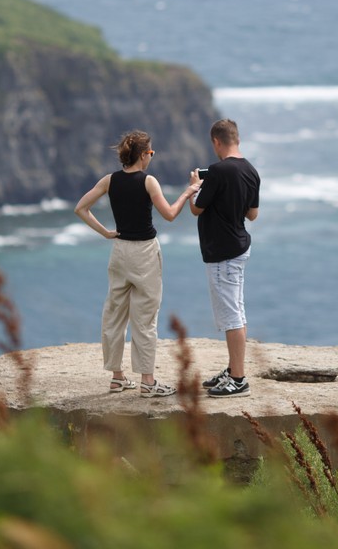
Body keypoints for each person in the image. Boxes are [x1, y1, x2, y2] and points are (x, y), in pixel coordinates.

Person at [74, 130, 200, 397]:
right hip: (144, 253)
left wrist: (106, 232)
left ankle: (117, 377)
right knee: (144, 319)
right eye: (151, 153)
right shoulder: (149, 182)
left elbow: (80, 208)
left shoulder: (110, 180)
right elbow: (169, 214)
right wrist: (188, 191)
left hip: (119, 252)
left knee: (114, 314)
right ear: (143, 155)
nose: (151, 158)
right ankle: (148, 382)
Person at [188, 118, 260, 398]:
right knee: (236, 310)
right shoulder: (251, 171)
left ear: (216, 142)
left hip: (223, 251)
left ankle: (239, 379)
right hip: (239, 246)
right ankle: (233, 369)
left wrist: (196, 186)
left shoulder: (217, 172)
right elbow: (252, 214)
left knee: (231, 316)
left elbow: (196, 209)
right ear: (237, 139)